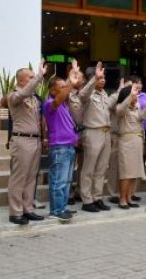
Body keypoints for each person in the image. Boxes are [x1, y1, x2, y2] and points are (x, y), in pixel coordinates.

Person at [6, 60, 47, 225]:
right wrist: (39, 76)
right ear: (21, 81)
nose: (34, 80)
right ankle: (15, 212)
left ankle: (27, 209)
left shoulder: (34, 98)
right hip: (21, 140)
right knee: (19, 178)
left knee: (31, 177)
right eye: (30, 77)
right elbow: (23, 94)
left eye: (34, 77)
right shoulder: (14, 96)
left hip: (34, 141)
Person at [77, 61, 115, 213]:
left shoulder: (104, 94)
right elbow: (82, 95)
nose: (103, 80)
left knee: (101, 168)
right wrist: (94, 79)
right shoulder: (87, 93)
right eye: (100, 78)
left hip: (105, 133)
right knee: (89, 168)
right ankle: (86, 200)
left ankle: (97, 197)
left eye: (103, 78)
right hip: (93, 132)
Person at [43, 76, 80, 223]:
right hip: (60, 148)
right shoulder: (50, 103)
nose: (66, 89)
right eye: (62, 87)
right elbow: (58, 100)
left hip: (69, 147)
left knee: (67, 180)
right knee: (59, 181)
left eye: (66, 86)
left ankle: (62, 208)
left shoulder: (64, 105)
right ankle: (56, 210)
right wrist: (71, 83)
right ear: (53, 90)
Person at [115, 83, 145, 209]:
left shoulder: (137, 107)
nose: (137, 95)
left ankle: (129, 197)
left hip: (137, 140)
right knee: (126, 173)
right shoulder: (121, 108)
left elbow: (144, 117)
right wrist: (130, 96)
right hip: (126, 141)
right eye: (134, 93)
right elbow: (120, 109)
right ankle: (122, 199)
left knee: (133, 172)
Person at [66, 60, 84, 206]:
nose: (81, 80)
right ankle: (68, 192)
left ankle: (79, 190)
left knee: (82, 165)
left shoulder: (84, 95)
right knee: (70, 165)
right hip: (70, 133)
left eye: (82, 78)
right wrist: (72, 74)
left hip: (85, 133)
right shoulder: (67, 94)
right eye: (78, 78)